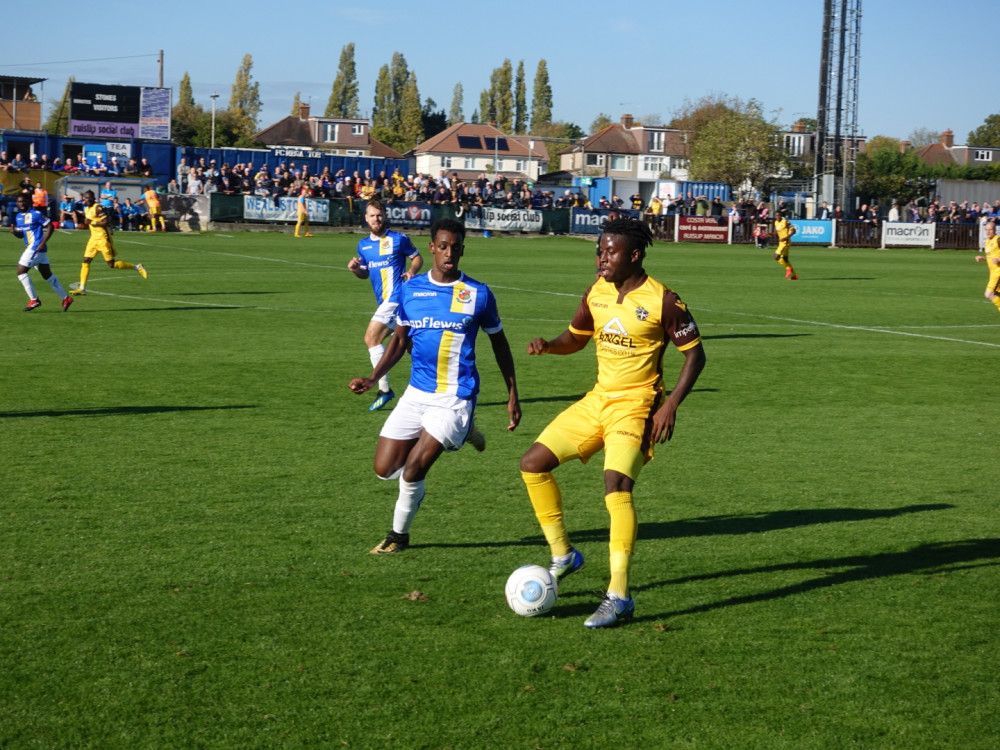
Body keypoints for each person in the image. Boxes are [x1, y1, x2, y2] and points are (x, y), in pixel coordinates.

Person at [519, 218, 705, 628]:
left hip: (637, 406)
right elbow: (577, 337)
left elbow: (695, 355)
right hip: (598, 400)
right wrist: (550, 346)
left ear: (634, 255)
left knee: (616, 486)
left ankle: (619, 596)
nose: (602, 258)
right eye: (599, 251)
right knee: (532, 463)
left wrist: (670, 404)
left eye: (610, 252)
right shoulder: (596, 292)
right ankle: (563, 555)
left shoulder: (664, 301)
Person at [349, 218, 521, 554]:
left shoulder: (478, 294)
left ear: (462, 249)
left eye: (455, 247)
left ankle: (398, 537)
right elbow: (399, 341)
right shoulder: (410, 290)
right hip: (417, 392)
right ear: (431, 247)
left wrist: (513, 394)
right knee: (385, 470)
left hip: (455, 396)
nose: (449, 253)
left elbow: (500, 344)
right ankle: (465, 431)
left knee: (412, 471)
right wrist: (373, 378)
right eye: (442, 246)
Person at [347, 197, 423, 411]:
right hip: (384, 301)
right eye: (372, 215)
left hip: (397, 297)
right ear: (366, 218)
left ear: (385, 217)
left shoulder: (399, 239)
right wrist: (355, 270)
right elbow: (366, 274)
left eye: (380, 215)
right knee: (411, 348)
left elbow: (417, 257)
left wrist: (411, 271)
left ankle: (384, 389)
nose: (376, 219)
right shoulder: (363, 245)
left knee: (371, 337)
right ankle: (437, 381)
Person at [68, 190, 148, 296]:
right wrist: (83, 225)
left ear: (92, 198)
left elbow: (106, 222)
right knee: (85, 261)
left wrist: (92, 222)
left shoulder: (98, 207)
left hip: (103, 239)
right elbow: (89, 223)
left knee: (112, 264)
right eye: (85, 198)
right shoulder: (86, 209)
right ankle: (82, 288)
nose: (86, 200)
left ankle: (137, 267)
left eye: (88, 198)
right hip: (93, 239)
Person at [11, 195, 74, 312]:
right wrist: (14, 232)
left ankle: (34, 300)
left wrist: (42, 242)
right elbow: (22, 235)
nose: (21, 203)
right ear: (17, 203)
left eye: (23, 201)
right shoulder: (19, 217)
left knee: (20, 271)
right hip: (33, 248)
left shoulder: (36, 214)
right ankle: (66, 298)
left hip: (36, 247)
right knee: (47, 275)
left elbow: (50, 226)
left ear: (28, 202)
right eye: (19, 201)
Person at [974, 221, 1000, 314]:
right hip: (993, 273)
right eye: (986, 230)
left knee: (988, 294)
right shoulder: (988, 241)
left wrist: (999, 260)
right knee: (997, 295)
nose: (988, 232)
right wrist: (983, 258)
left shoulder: (998, 240)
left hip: (998, 273)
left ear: (995, 230)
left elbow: (996, 258)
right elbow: (991, 256)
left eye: (990, 230)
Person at [773, 210, 798, 279]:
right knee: (785, 259)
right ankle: (794, 275)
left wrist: (786, 238)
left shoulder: (785, 221)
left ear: (781, 215)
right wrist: (769, 234)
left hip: (785, 242)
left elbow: (794, 230)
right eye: (776, 215)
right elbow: (778, 232)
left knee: (776, 256)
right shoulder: (776, 222)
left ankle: (788, 268)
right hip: (781, 242)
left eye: (779, 215)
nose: (777, 217)